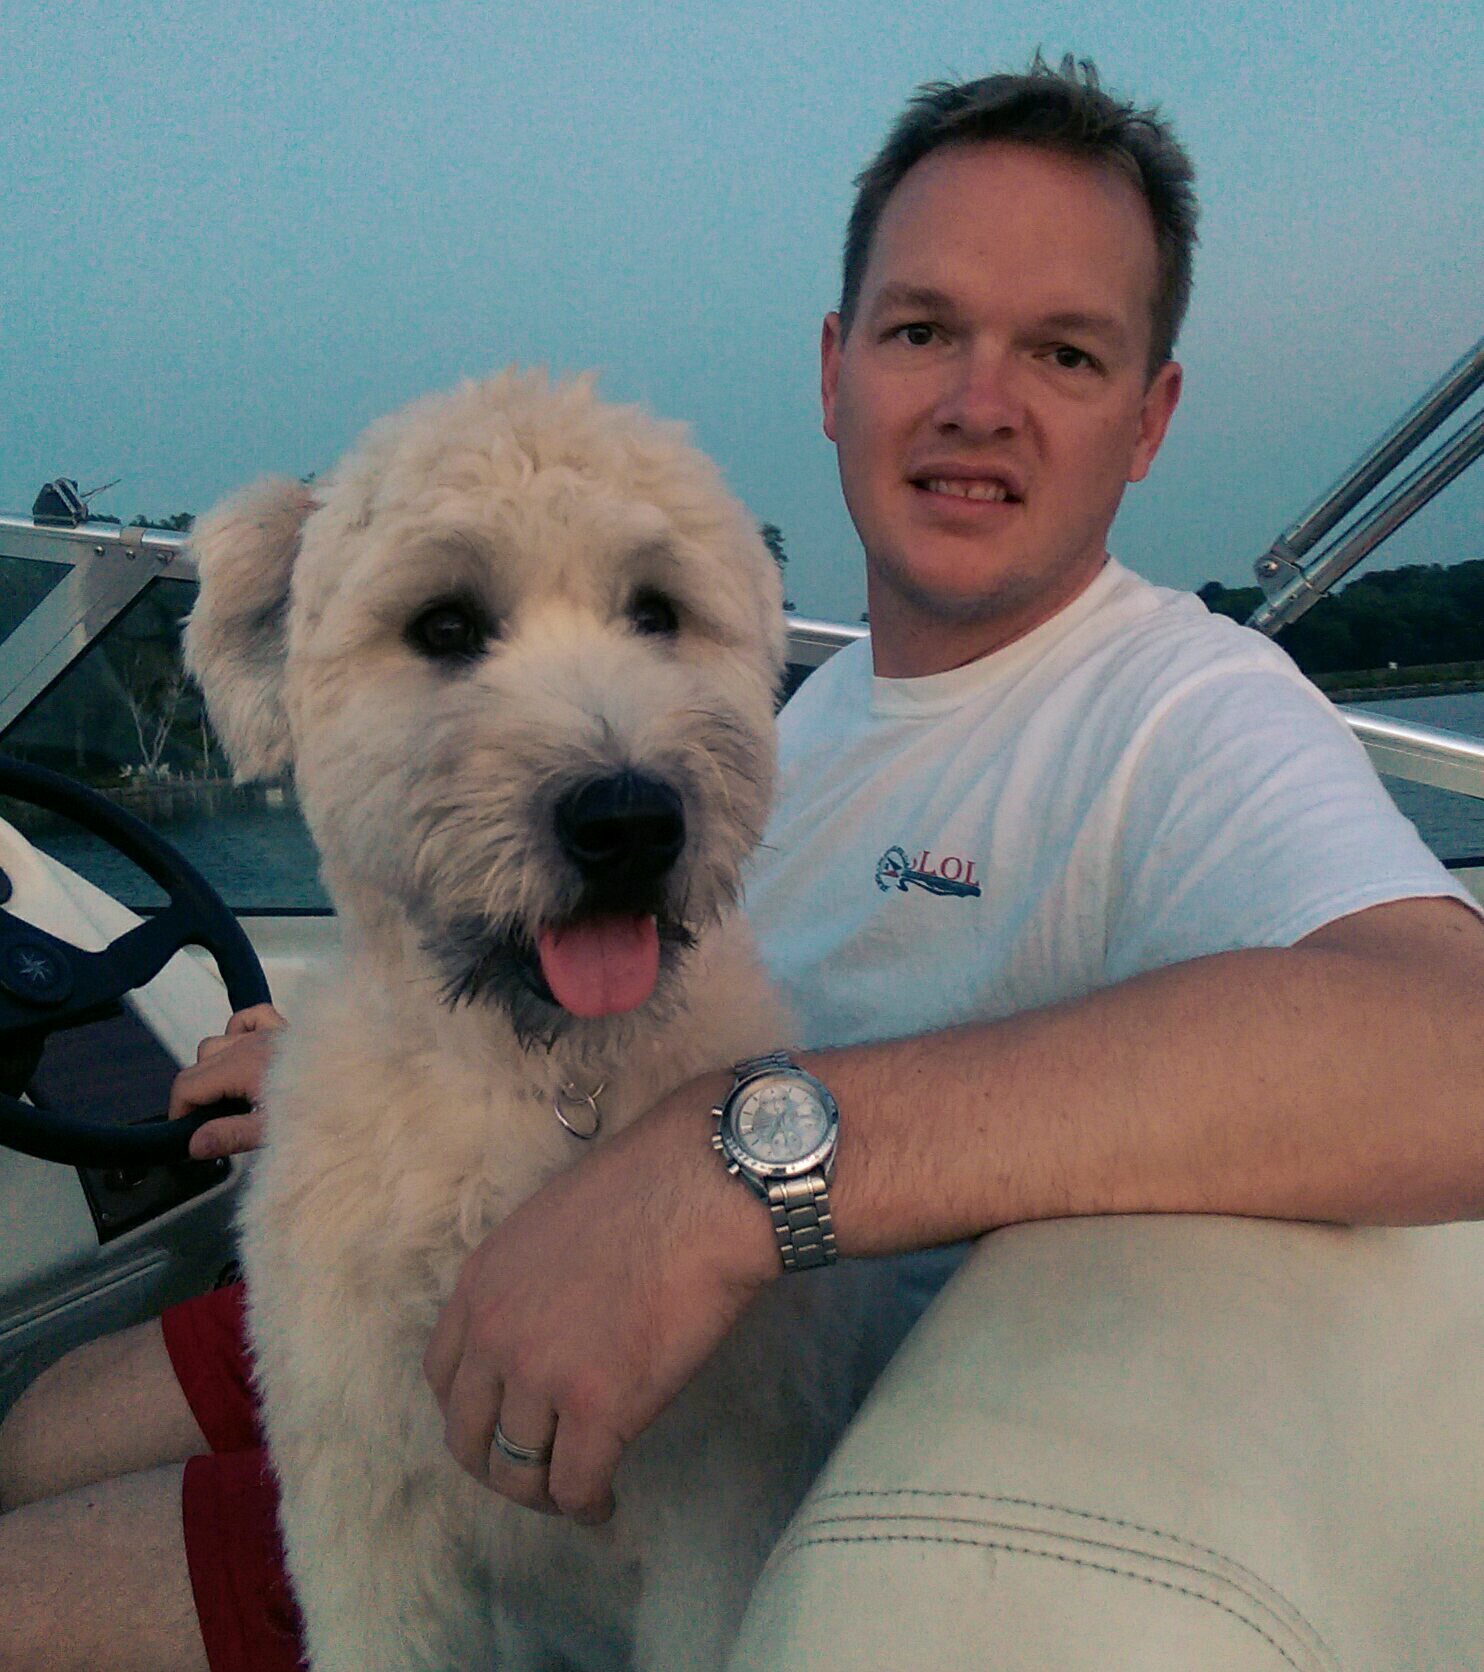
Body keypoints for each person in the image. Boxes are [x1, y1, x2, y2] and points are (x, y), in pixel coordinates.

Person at [3, 53, 1482, 1672]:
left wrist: (726, 1172)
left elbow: (1453, 1054)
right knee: (37, 1427)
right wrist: (351, 1048)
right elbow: (596, 971)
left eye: (1064, 351)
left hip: (701, 1481)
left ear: (1153, 417)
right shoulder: (799, 713)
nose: (977, 401)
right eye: (923, 330)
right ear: (836, 370)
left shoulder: (1184, 711)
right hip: (465, 1273)